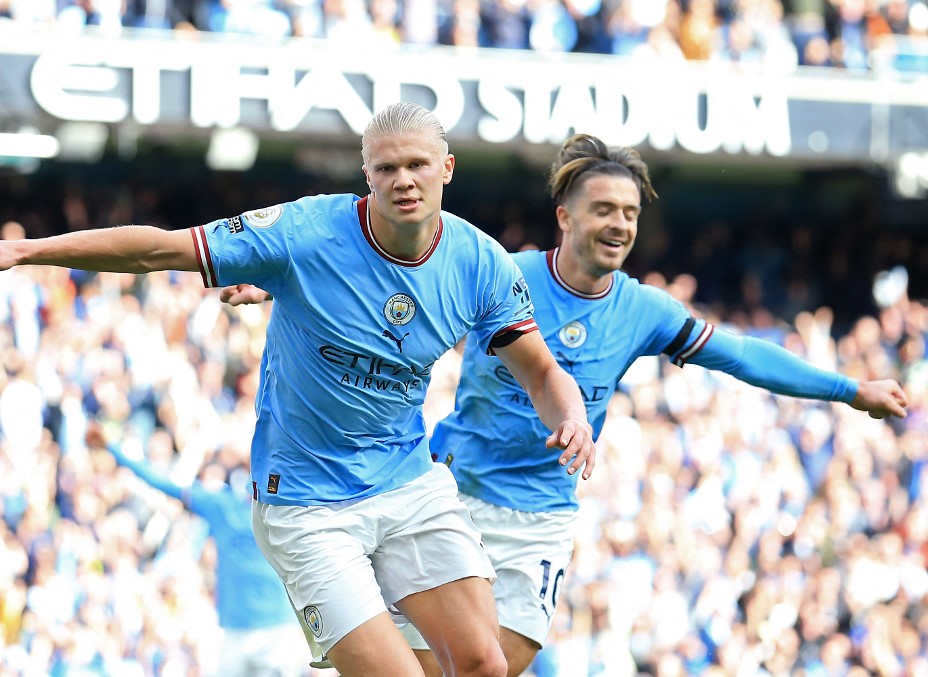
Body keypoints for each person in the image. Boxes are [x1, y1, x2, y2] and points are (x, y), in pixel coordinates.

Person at [0, 101, 596, 677]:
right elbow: (159, 249)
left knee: (483, 662)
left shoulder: (479, 262)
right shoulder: (304, 232)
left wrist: (571, 416)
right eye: (386, 167)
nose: (403, 180)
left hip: (405, 481)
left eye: (417, 164)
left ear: (445, 168)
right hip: (306, 503)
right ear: (367, 176)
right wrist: (30, 250)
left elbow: (540, 368)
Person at [223, 132, 910, 677]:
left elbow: (739, 353)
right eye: (604, 209)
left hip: (541, 518)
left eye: (631, 214)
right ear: (566, 217)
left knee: (498, 664)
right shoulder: (498, 272)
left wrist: (849, 390)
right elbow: (368, 286)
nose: (619, 224)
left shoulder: (642, 309)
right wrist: (278, 286)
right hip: (448, 496)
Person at [83, 425, 311, 677]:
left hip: (278, 632)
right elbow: (162, 483)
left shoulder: (289, 508)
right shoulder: (221, 504)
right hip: (234, 633)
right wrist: (112, 448)